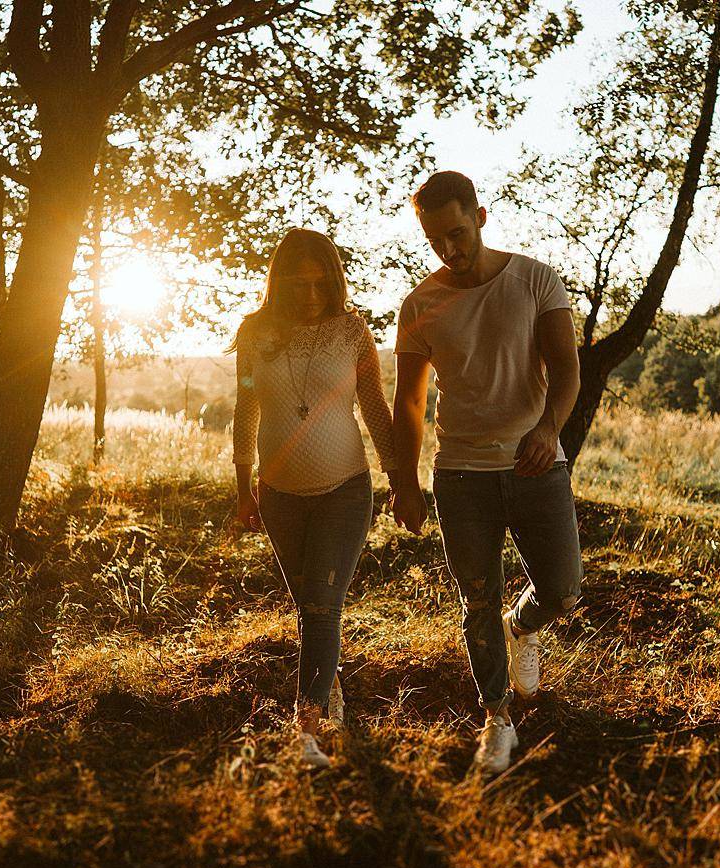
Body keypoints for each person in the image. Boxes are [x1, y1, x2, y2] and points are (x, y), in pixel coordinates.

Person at [390, 171, 583, 775]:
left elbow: (567, 371)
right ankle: (496, 719)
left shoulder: (533, 280)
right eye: (435, 239)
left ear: (479, 215)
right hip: (462, 475)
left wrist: (549, 428)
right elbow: (410, 405)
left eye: (456, 232)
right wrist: (404, 483)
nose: (449, 248)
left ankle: (524, 626)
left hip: (535, 464)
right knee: (477, 598)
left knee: (563, 588)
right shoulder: (420, 305)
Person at [232, 228, 398, 769]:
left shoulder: (352, 331)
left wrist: (401, 476)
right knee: (311, 608)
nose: (309, 294)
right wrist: (243, 487)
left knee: (323, 607)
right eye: (296, 283)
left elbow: (374, 406)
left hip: (344, 489)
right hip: (279, 495)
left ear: (333, 281)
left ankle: (306, 732)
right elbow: (247, 410)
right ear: (277, 283)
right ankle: (330, 691)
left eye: (319, 281)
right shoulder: (256, 334)